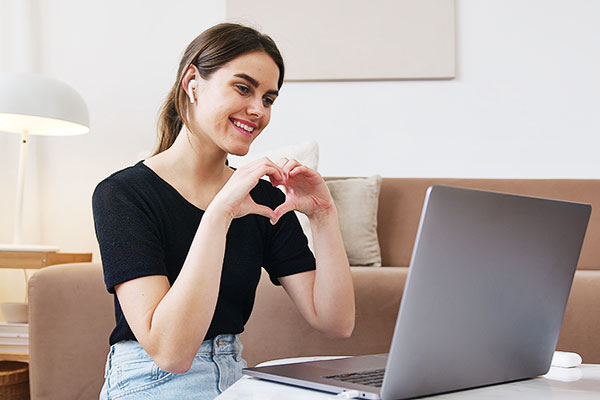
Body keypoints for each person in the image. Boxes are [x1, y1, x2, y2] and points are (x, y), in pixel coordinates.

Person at [92, 22, 355, 399]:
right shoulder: (123, 194)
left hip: (234, 377)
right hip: (148, 380)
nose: (257, 110)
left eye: (268, 99)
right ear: (192, 82)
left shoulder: (262, 197)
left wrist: (324, 215)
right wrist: (220, 213)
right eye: (243, 88)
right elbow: (171, 352)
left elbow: (335, 322)